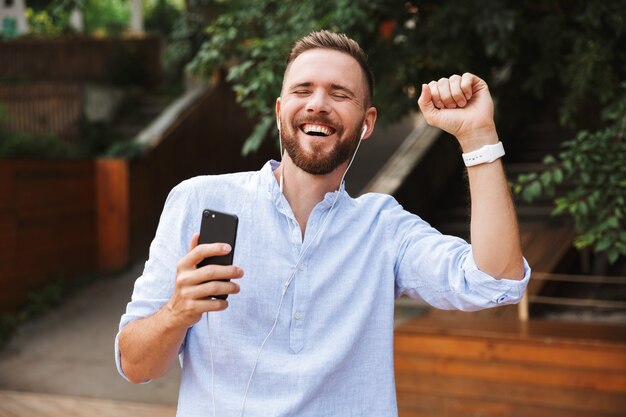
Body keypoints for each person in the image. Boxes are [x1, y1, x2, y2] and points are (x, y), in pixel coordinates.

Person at [115, 30, 530, 417]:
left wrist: (477, 138)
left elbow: (496, 282)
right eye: (302, 90)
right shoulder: (198, 199)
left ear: (367, 123)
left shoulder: (384, 227)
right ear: (280, 112)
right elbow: (135, 366)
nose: (317, 103)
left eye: (339, 93)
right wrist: (175, 313)